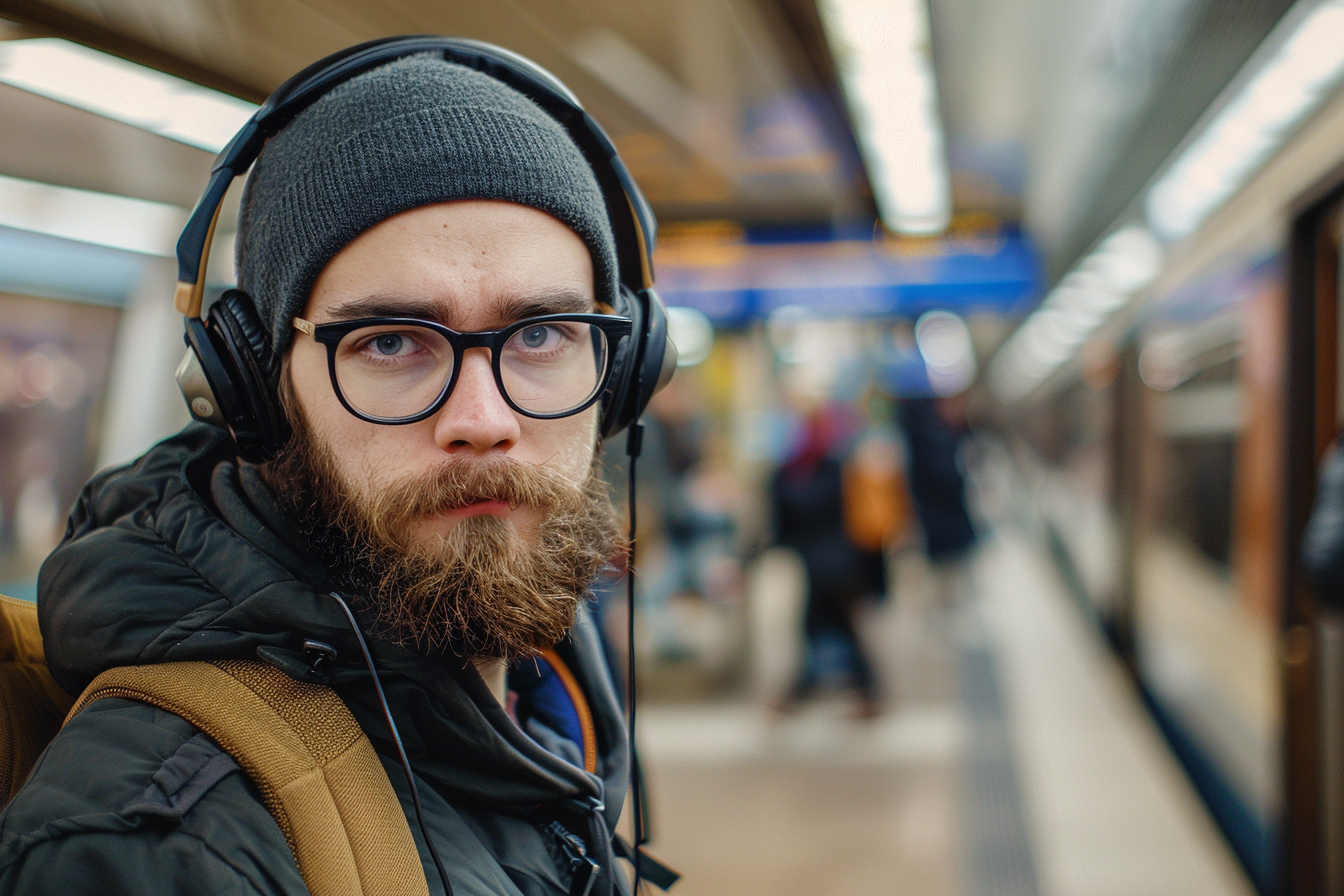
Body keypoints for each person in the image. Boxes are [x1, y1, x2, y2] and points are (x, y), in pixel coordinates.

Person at [0, 38, 673, 896]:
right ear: (254, 387)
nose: (483, 420)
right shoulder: (160, 844)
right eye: (390, 341)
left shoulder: (551, 705)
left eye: (541, 335)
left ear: (625, 371)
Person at [769, 404, 882, 718]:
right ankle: (857, 693)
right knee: (828, 630)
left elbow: (810, 508)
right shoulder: (798, 469)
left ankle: (800, 694)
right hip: (823, 567)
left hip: (838, 568)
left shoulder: (832, 469)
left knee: (827, 630)